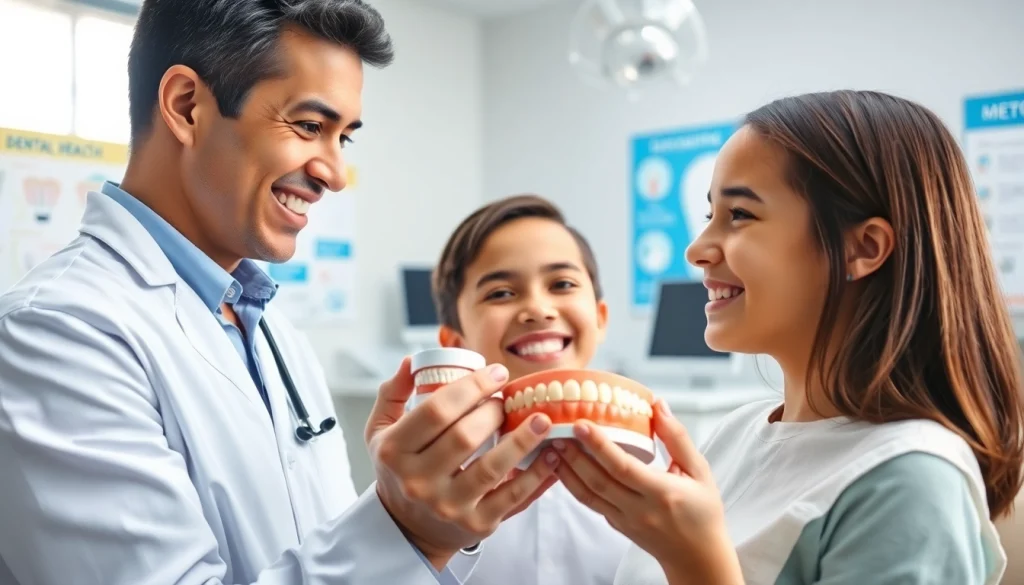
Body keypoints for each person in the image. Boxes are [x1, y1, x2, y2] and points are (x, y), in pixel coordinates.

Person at [0, 1, 560, 583]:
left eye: (344, 138)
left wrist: (415, 513)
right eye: (310, 126)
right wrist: (403, 530)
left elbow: (323, 554)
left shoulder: (272, 331)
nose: (334, 174)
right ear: (187, 106)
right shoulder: (55, 334)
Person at [550, 90, 1024, 584]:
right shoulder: (737, 433)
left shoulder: (910, 481)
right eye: (710, 216)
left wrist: (695, 563)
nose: (696, 250)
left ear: (864, 247)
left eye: (740, 215)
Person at [430, 194, 642, 585]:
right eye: (500, 293)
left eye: (562, 284)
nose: (538, 309)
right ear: (455, 343)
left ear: (600, 318)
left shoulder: (656, 458)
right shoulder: (429, 477)